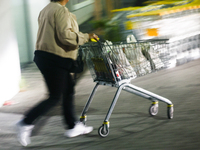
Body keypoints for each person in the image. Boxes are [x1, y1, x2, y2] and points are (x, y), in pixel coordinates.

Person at [15, 0, 98, 147]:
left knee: (68, 90)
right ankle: (25, 122)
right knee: (55, 97)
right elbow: (65, 36)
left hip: (46, 56)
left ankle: (72, 126)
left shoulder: (46, 9)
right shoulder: (60, 11)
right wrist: (86, 37)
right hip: (54, 59)